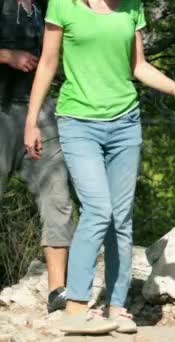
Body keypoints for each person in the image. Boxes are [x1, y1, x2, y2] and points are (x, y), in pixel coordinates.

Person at [24, 0, 175, 334]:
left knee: (120, 216)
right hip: (78, 122)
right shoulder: (63, 5)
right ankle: (75, 308)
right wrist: (31, 121)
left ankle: (117, 307)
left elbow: (138, 66)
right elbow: (47, 63)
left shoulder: (132, 7)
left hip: (125, 124)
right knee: (98, 209)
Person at [0, 0, 75, 314]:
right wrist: (6, 55)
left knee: (57, 196)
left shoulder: (49, 5)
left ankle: (58, 292)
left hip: (38, 109)